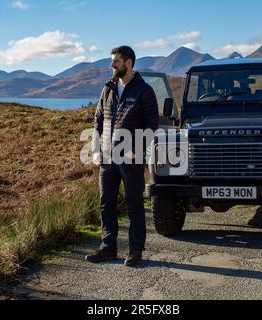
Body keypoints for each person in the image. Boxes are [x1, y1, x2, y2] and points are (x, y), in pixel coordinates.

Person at [86, 46, 159, 267]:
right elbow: (98, 121)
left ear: (129, 63)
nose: (112, 65)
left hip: (130, 158)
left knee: (134, 204)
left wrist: (138, 148)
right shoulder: (107, 89)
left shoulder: (144, 91)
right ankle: (108, 248)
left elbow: (151, 125)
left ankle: (135, 250)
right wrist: (96, 149)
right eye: (112, 61)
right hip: (108, 157)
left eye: (116, 61)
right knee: (106, 203)